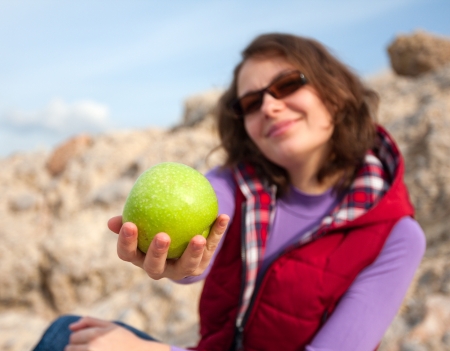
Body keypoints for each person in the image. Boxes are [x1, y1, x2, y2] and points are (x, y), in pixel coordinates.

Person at [33, 33, 426, 351]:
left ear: (336, 96)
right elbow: (199, 249)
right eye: (251, 103)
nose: (269, 107)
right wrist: (184, 263)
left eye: (288, 84)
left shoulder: (397, 235)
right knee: (74, 335)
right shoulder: (235, 185)